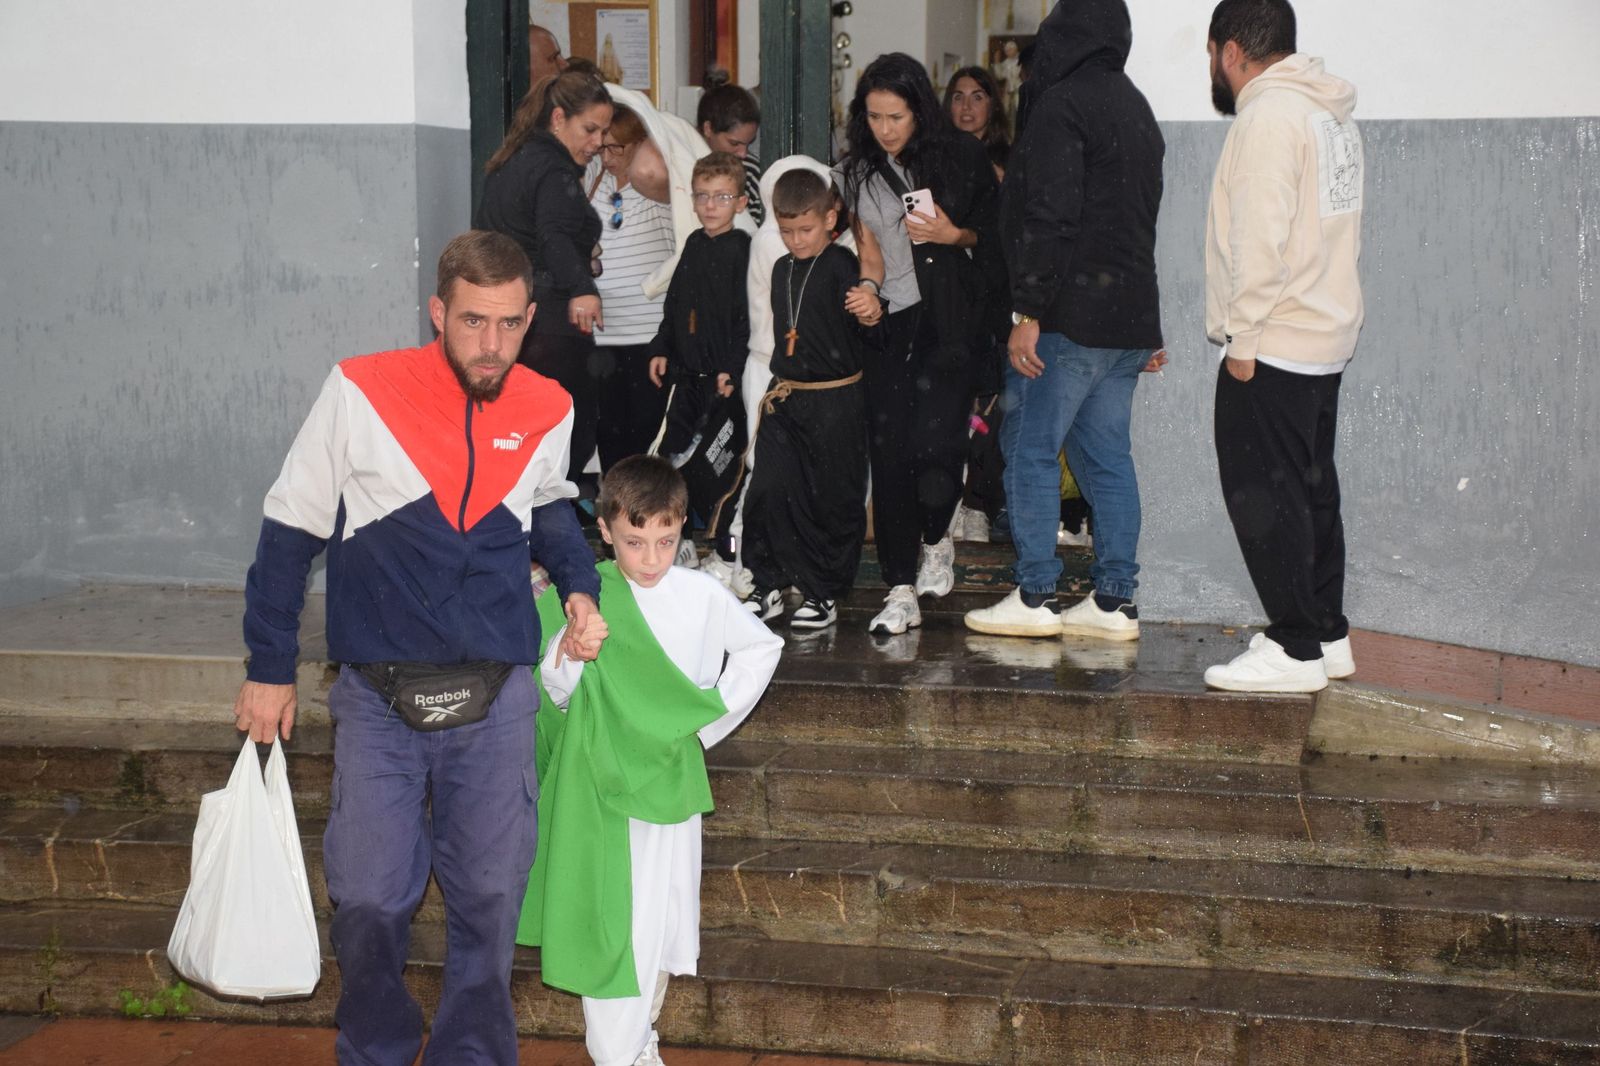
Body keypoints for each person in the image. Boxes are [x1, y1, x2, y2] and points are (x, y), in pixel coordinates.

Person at [232, 231, 605, 1064]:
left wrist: (581, 585)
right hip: (379, 697)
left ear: (530, 318)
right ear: (438, 312)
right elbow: (289, 531)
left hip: (496, 692)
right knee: (366, 896)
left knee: (491, 895)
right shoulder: (360, 391)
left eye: (509, 325)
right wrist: (268, 667)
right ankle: (377, 1046)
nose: (490, 345)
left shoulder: (547, 403)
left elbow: (547, 507)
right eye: (473, 322)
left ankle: (472, 1053)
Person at [519, 455, 781, 1066]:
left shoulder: (702, 595)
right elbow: (548, 688)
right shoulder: (582, 595)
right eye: (635, 542)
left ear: (683, 527)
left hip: (668, 778)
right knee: (614, 926)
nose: (652, 558)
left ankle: (639, 1046)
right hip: (599, 784)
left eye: (666, 541)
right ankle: (619, 1055)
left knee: (659, 925)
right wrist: (570, 651)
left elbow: (761, 647)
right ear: (605, 531)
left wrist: (701, 728)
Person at [962, 0, 1166, 641]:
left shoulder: (1061, 105)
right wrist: (1146, 326)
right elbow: (1134, 227)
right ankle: (1115, 603)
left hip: (1067, 318)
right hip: (1125, 322)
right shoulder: (1137, 109)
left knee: (1029, 450)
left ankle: (1036, 594)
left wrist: (1028, 311)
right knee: (1107, 460)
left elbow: (1050, 219)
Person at [1200, 0, 1363, 693]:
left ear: (1231, 50)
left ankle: (1295, 646)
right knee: (1310, 489)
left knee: (1265, 497)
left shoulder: (1268, 117)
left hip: (1274, 339)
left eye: (1210, 53)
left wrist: (1242, 340)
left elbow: (1259, 240)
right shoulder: (1326, 114)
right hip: (1320, 335)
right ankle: (1327, 634)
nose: (1211, 66)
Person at [838, 52, 1001, 636]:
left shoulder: (960, 156)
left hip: (948, 324)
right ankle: (900, 585)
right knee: (890, 458)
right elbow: (871, 250)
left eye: (897, 117)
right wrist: (866, 289)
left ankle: (939, 536)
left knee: (936, 449)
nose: (885, 128)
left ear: (919, 112)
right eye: (875, 116)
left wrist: (953, 235)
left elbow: (996, 235)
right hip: (889, 328)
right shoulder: (856, 172)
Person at [741, 168, 882, 629]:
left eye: (806, 229)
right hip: (786, 397)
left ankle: (823, 592)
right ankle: (768, 583)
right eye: (786, 231)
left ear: (829, 218)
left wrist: (870, 306)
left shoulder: (843, 266)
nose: (796, 240)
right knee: (769, 491)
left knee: (832, 498)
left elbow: (869, 316)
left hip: (836, 399)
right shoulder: (781, 267)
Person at [476, 71, 614, 485]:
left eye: (605, 131)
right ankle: (546, 532)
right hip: (550, 322)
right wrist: (583, 288)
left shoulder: (514, 159)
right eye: (590, 129)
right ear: (558, 119)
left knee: (514, 435)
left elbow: (518, 235)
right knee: (567, 433)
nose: (599, 142)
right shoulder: (553, 170)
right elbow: (552, 235)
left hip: (510, 317)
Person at [648, 151, 751, 567]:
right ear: (691, 200)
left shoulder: (744, 249)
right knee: (668, 459)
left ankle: (726, 553)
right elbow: (674, 307)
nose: (711, 206)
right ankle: (680, 538)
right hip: (686, 379)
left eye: (723, 197)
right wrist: (661, 346)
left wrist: (732, 366)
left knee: (720, 466)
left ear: (742, 203)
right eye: (703, 196)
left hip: (723, 382)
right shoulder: (691, 244)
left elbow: (749, 316)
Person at [588, 106, 677, 472]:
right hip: (605, 336)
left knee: (648, 436)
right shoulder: (595, 183)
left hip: (648, 335)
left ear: (640, 146)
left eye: (617, 149)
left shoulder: (656, 187)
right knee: (609, 435)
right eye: (603, 148)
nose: (608, 158)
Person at [696, 83, 764, 225]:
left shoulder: (751, 170)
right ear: (708, 129)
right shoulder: (682, 161)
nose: (743, 154)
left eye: (748, 143)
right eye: (734, 143)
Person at [944, 65, 1011, 179]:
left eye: (977, 98)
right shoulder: (936, 157)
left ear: (992, 106)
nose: (966, 106)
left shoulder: (1011, 160)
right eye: (958, 97)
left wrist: (1006, 186)